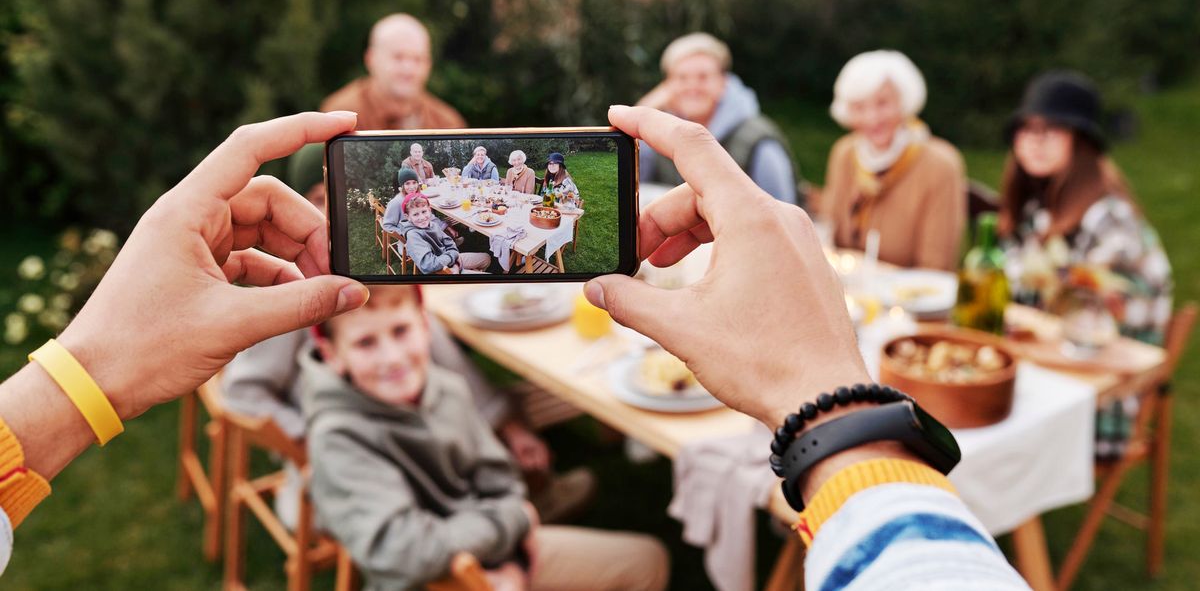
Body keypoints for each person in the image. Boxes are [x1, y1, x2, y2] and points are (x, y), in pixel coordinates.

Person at [0, 107, 1027, 589]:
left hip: (480, 504)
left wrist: (82, 381)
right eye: (375, 334)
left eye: (403, 327)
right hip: (474, 548)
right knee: (636, 551)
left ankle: (552, 483)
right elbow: (400, 538)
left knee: (534, 432)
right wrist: (511, 525)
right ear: (335, 348)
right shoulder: (350, 417)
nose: (396, 348)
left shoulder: (428, 358)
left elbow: (467, 411)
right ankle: (556, 498)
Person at [223, 147, 591, 526]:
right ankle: (514, 520)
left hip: (414, 417)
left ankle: (525, 495)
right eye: (317, 199)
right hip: (358, 462)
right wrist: (311, 441)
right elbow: (242, 392)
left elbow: (445, 356)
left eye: (336, 195)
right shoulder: (292, 290)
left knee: (488, 407)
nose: (328, 212)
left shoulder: (374, 285)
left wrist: (507, 425)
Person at [303, 285, 669, 591]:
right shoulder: (338, 437)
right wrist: (512, 523)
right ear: (332, 355)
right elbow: (402, 553)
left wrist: (514, 563)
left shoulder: (447, 389)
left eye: (401, 331)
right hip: (431, 580)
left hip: (493, 552)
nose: (393, 357)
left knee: (647, 561)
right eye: (366, 343)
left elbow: (501, 478)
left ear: (425, 326)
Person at [999, 71, 1173, 345]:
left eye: (1052, 129)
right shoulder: (1036, 204)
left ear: (1081, 142)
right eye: (1027, 128)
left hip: (1111, 354)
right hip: (1054, 343)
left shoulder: (1107, 216)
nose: (1036, 140)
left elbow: (1131, 312)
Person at [820, 50, 967, 271]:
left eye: (882, 103)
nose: (872, 118)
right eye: (859, 107)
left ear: (903, 102)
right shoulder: (844, 153)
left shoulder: (941, 165)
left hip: (909, 292)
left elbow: (936, 267)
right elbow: (828, 234)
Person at [637, 32, 803, 206]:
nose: (692, 87)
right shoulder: (659, 137)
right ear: (666, 86)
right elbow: (629, 185)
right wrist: (646, 109)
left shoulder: (758, 143)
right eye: (681, 78)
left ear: (723, 82)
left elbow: (783, 212)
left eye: (703, 77)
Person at [321, 14, 466, 130]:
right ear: (371, 59)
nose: (408, 69)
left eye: (418, 59)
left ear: (429, 64)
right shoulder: (341, 116)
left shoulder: (447, 123)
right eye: (398, 57)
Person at [401, 194, 491, 274]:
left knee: (486, 258)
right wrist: (453, 258)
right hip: (443, 271)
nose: (422, 217)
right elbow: (429, 265)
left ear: (429, 210)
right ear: (407, 217)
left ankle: (471, 272)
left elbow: (449, 242)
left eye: (424, 212)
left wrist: (455, 262)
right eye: (415, 214)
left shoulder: (431, 224)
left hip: (450, 260)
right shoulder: (413, 236)